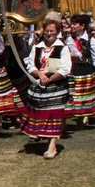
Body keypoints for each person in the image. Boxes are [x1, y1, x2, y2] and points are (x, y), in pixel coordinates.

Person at [20, 15, 72, 159]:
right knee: (41, 114)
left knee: (54, 115)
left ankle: (52, 146)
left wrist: (49, 79)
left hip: (56, 88)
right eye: (47, 31)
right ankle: (45, 139)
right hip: (39, 87)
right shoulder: (37, 47)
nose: (49, 34)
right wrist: (40, 75)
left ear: (57, 32)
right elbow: (30, 64)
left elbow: (65, 69)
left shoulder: (62, 48)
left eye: (52, 31)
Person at [64, 14, 95, 127]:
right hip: (74, 69)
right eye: (71, 24)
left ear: (82, 26)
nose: (72, 26)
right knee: (74, 94)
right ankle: (77, 117)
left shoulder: (90, 40)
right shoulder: (69, 39)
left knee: (85, 95)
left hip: (86, 70)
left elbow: (93, 56)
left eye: (74, 24)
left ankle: (83, 118)